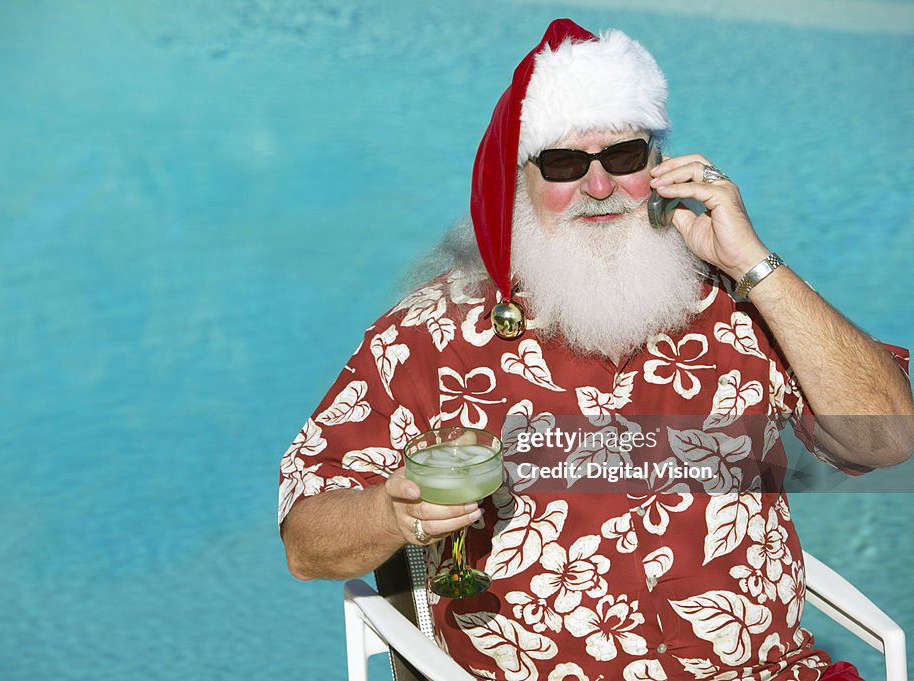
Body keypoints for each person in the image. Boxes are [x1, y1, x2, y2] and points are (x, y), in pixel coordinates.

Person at [278, 19, 913, 681]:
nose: (600, 186)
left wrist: (755, 263)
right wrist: (391, 511)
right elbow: (305, 541)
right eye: (563, 164)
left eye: (623, 157)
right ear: (516, 181)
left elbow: (887, 441)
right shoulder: (429, 335)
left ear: (656, 163)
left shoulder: (745, 303)